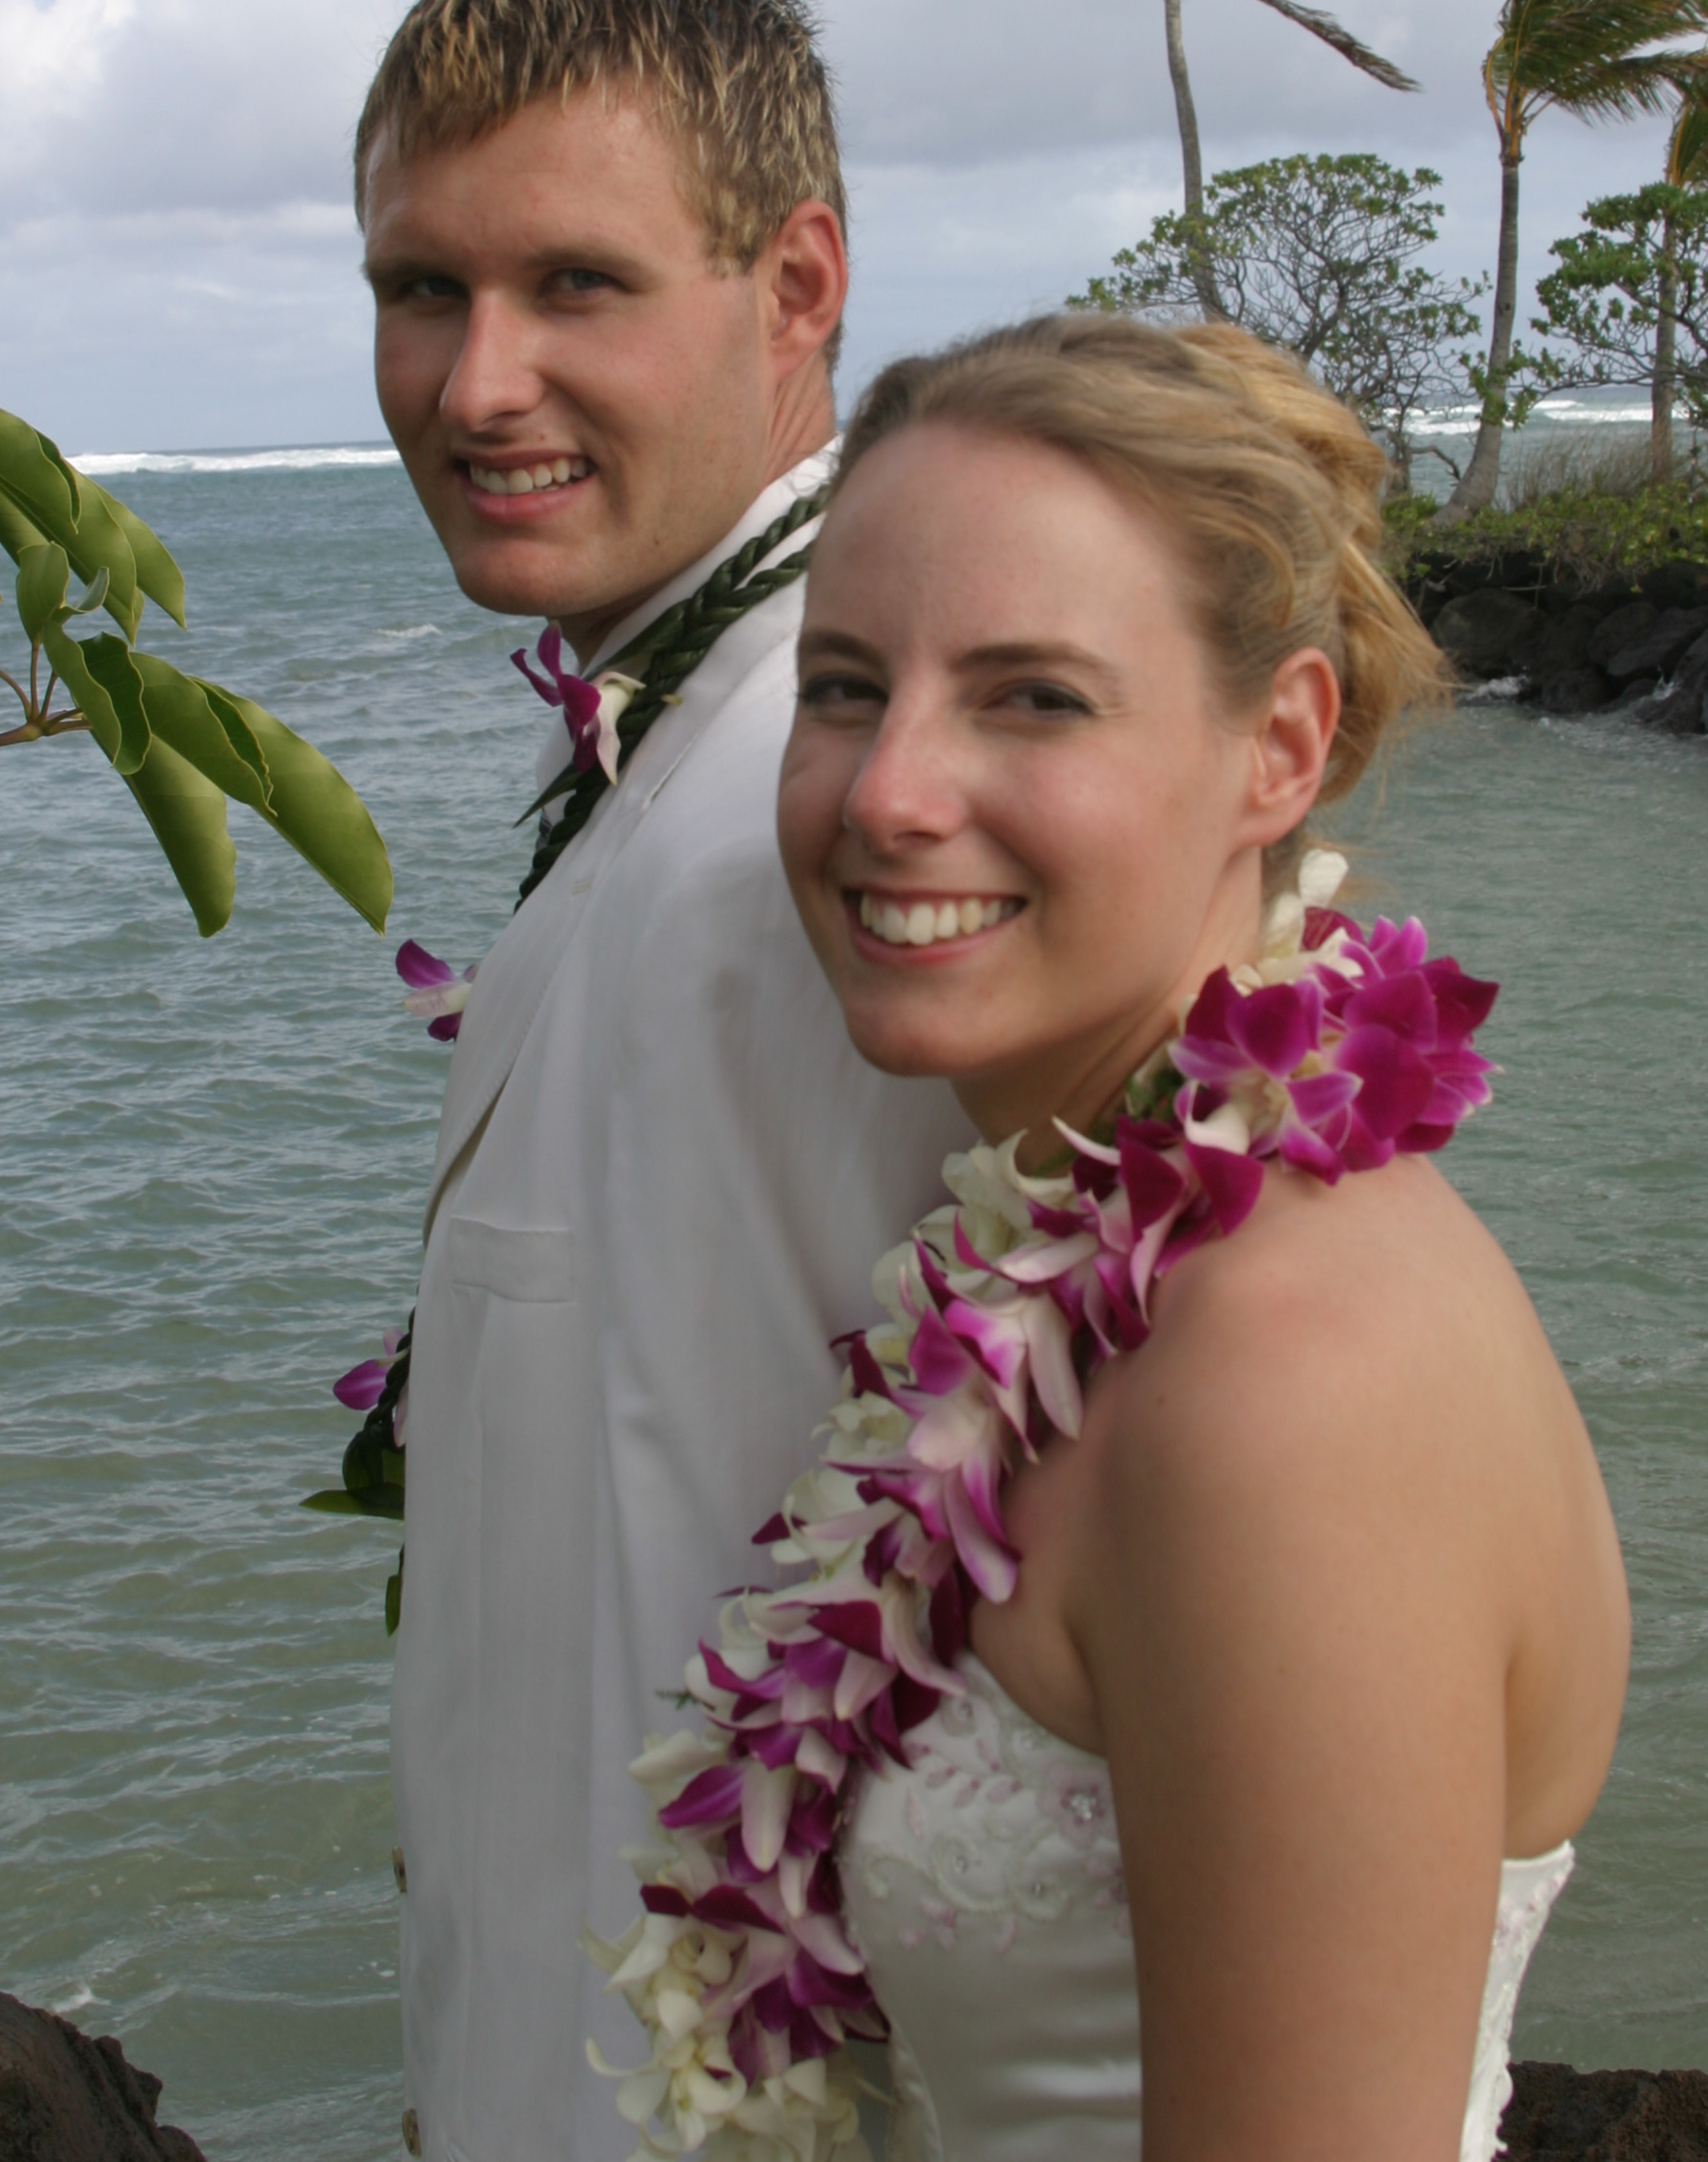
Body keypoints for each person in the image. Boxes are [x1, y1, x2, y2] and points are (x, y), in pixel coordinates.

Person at [594, 314, 1630, 2162]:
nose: (889, 791)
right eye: (844, 686)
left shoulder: (1293, 1384)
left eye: (1034, 698)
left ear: (1279, 749)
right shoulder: (1079, 1265)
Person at [356, 0, 972, 2162]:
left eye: (575, 286)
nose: (474, 384)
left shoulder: (863, 815)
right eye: (422, 288)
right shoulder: (700, 741)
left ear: (796, 286)